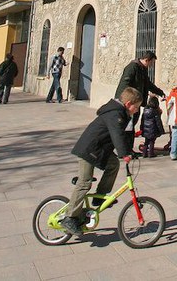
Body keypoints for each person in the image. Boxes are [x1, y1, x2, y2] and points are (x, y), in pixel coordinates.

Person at [59, 87, 142, 236]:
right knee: (85, 182)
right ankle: (69, 217)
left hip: (99, 150)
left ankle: (100, 196)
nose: (136, 111)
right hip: (88, 150)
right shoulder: (115, 114)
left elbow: (125, 135)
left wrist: (129, 151)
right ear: (128, 103)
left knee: (113, 165)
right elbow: (116, 134)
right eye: (136, 107)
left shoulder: (123, 113)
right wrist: (124, 154)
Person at [115, 52, 165, 151]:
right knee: (127, 127)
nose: (151, 66)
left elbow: (148, 84)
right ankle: (124, 150)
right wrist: (126, 102)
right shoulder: (132, 67)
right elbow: (125, 85)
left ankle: (129, 149)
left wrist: (160, 92)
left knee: (131, 126)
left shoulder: (142, 69)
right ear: (147, 60)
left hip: (136, 103)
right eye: (151, 63)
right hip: (129, 104)